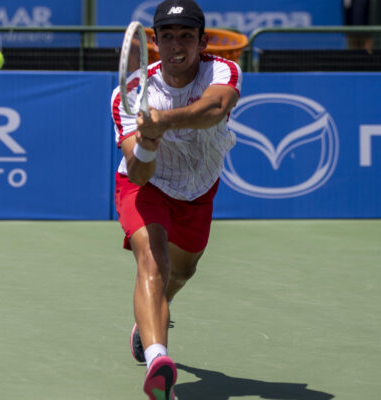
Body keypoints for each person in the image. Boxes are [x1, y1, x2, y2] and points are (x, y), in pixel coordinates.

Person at [109, 0, 242, 398]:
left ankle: (148, 316)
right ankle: (157, 360)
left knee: (179, 273)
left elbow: (214, 109)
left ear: (202, 41)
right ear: (155, 43)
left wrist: (162, 122)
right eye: (167, 36)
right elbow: (138, 171)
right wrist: (147, 141)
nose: (176, 44)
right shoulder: (129, 94)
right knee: (153, 261)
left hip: (199, 189)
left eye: (186, 35)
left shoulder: (221, 70)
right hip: (146, 188)